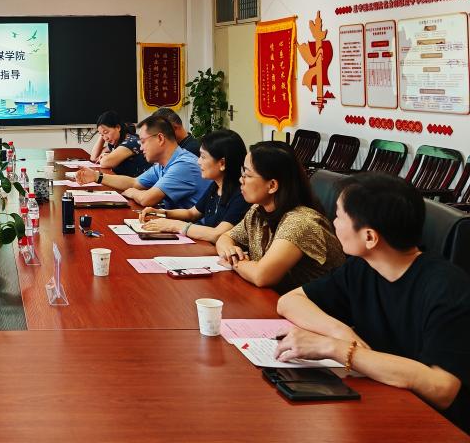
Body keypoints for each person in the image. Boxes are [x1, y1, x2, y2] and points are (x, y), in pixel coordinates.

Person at [276, 174, 470, 434]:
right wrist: (340, 332)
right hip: (381, 402)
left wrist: (335, 348)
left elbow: (442, 388)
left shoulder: (448, 288)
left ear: (369, 237)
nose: (333, 223)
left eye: (339, 216)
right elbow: (290, 301)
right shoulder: (363, 268)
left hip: (433, 425)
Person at [215, 140, 343, 290]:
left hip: (311, 303)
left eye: (247, 175)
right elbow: (225, 238)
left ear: (272, 185)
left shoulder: (300, 222)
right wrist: (230, 251)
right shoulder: (258, 211)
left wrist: (235, 262)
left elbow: (261, 276)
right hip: (276, 298)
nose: (240, 180)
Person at [138, 128, 249, 243]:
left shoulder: (242, 194)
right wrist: (162, 213)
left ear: (222, 163)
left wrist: (174, 225)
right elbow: (192, 213)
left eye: (203, 157)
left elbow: (217, 234)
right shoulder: (216, 186)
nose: (198, 161)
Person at [75, 115, 208, 209]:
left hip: (197, 234)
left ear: (160, 138)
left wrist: (132, 192)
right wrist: (96, 176)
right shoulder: (163, 165)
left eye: (143, 142)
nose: (141, 148)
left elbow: (147, 199)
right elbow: (134, 182)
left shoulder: (183, 165)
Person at [89, 111, 148, 178]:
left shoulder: (131, 142)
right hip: (125, 181)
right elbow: (94, 157)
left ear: (118, 127)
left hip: (139, 183)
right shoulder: (115, 142)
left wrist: (108, 156)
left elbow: (105, 163)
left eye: (106, 132)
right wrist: (102, 133)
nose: (105, 138)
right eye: (102, 135)